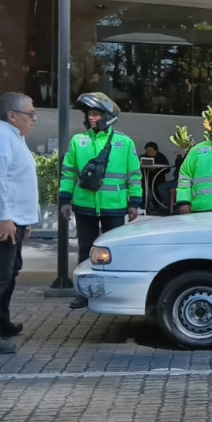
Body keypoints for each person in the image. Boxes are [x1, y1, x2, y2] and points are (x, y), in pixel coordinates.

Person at [61, 92, 143, 310]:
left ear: (108, 116)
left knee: (113, 252)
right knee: (84, 250)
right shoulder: (79, 141)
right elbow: (68, 173)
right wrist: (65, 200)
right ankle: (83, 294)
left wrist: (134, 202)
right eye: (89, 113)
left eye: (95, 114)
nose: (91, 117)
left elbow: (134, 174)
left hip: (114, 207)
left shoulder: (124, 143)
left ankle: (113, 293)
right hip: (84, 206)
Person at [0, 93, 40, 355]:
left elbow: (19, 180)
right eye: (30, 114)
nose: (34, 119)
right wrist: (4, 218)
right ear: (12, 116)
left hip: (14, 218)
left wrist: (26, 218)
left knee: (9, 272)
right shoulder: (2, 138)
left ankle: (1, 321)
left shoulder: (14, 138)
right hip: (1, 219)